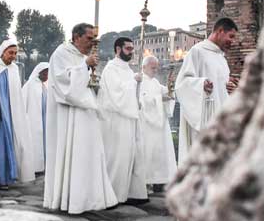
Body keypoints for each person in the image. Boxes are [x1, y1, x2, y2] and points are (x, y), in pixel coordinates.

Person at [43, 23, 118, 214]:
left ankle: (90, 198)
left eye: (94, 38)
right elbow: (63, 84)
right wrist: (84, 66)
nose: (92, 42)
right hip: (70, 114)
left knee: (89, 153)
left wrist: (93, 79)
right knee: (74, 154)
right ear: (76, 37)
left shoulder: (82, 56)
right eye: (89, 38)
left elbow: (85, 82)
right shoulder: (61, 53)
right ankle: (73, 199)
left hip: (85, 111)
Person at [175, 17, 239, 166]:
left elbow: (221, 88)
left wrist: (231, 88)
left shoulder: (222, 59)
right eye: (231, 36)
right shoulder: (197, 51)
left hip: (221, 120)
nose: (232, 41)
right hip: (204, 118)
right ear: (220, 31)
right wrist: (201, 84)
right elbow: (182, 83)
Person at [0, 39, 36, 189]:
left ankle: (9, 176)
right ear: (3, 52)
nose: (13, 56)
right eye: (10, 53)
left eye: (15, 53)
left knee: (9, 147)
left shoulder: (14, 70)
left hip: (11, 114)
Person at [98, 36, 147, 204]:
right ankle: (113, 194)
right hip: (115, 120)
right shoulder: (111, 69)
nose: (131, 52)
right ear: (118, 49)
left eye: (132, 49)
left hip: (129, 118)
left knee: (132, 155)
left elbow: (128, 93)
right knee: (117, 157)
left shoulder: (127, 69)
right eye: (128, 48)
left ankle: (130, 192)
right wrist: (133, 82)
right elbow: (115, 95)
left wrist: (136, 99)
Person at [139, 56, 177, 189]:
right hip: (147, 124)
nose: (155, 70)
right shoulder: (140, 81)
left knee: (159, 153)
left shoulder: (155, 82)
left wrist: (170, 87)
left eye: (156, 68)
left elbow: (166, 93)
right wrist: (160, 98)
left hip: (158, 124)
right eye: (152, 67)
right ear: (144, 67)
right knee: (148, 151)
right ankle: (146, 182)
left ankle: (158, 181)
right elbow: (143, 100)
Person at [22, 62, 49, 174]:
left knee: (42, 143)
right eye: (45, 73)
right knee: (34, 143)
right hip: (32, 120)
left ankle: (41, 166)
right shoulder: (30, 85)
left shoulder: (43, 86)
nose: (47, 76)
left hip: (43, 119)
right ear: (40, 73)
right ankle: (34, 167)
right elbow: (23, 102)